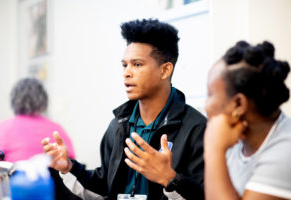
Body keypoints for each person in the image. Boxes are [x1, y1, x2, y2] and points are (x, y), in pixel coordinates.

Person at [42, 19, 206, 200]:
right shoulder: (118, 125)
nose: (126, 72)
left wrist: (169, 179)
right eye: (124, 65)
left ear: (165, 70)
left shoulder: (196, 129)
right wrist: (68, 168)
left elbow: (208, 196)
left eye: (137, 64)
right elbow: (103, 188)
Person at [204, 41, 291, 200]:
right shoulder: (235, 138)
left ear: (238, 104)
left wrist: (213, 150)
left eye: (210, 94)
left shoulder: (286, 151)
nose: (205, 105)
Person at [0, 77, 78, 200]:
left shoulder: (0, 128)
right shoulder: (57, 129)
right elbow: (71, 165)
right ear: (43, 100)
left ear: (13, 100)